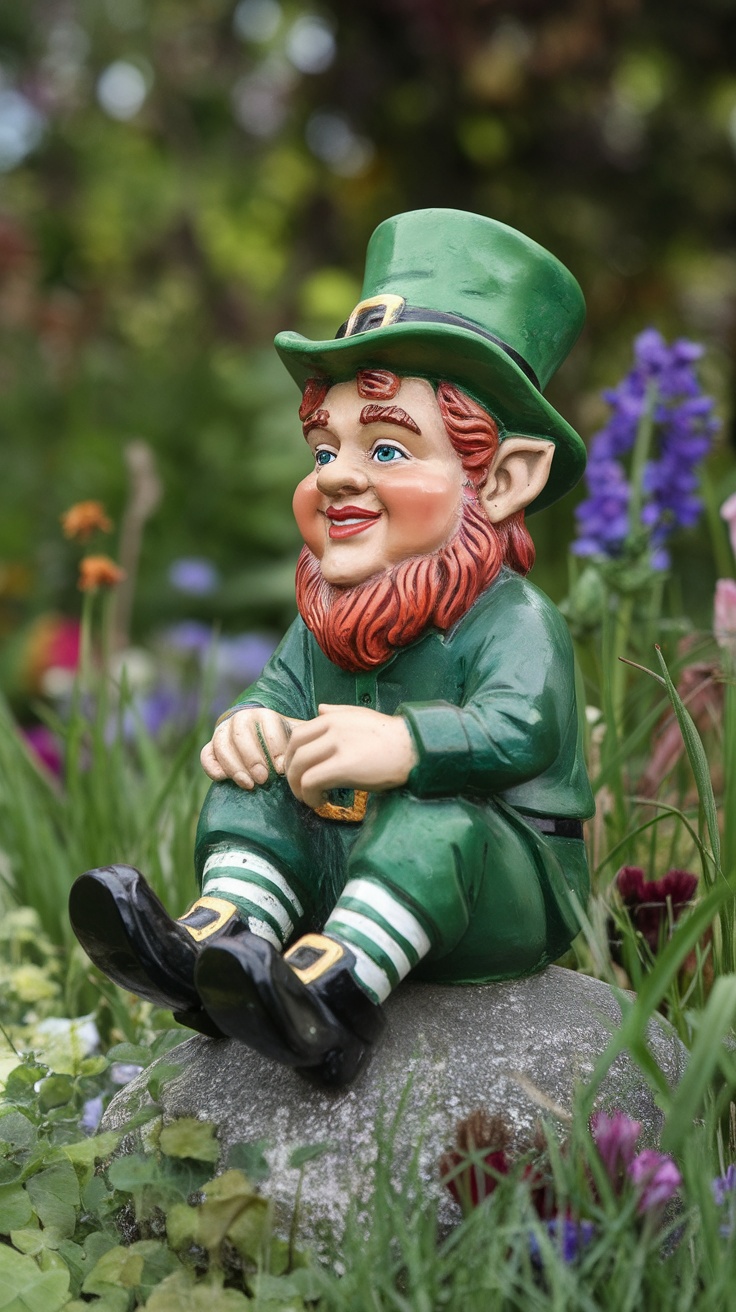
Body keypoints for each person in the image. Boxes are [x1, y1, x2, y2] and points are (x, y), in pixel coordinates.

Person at [70, 209, 594, 1084]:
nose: (338, 476)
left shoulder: (512, 620)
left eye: (387, 446)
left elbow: (520, 731)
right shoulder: (329, 614)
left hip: (501, 880)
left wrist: (408, 744)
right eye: (323, 450)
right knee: (254, 782)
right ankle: (224, 941)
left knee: (437, 822)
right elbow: (277, 693)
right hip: (342, 849)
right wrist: (251, 726)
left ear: (504, 479)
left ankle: (334, 998)